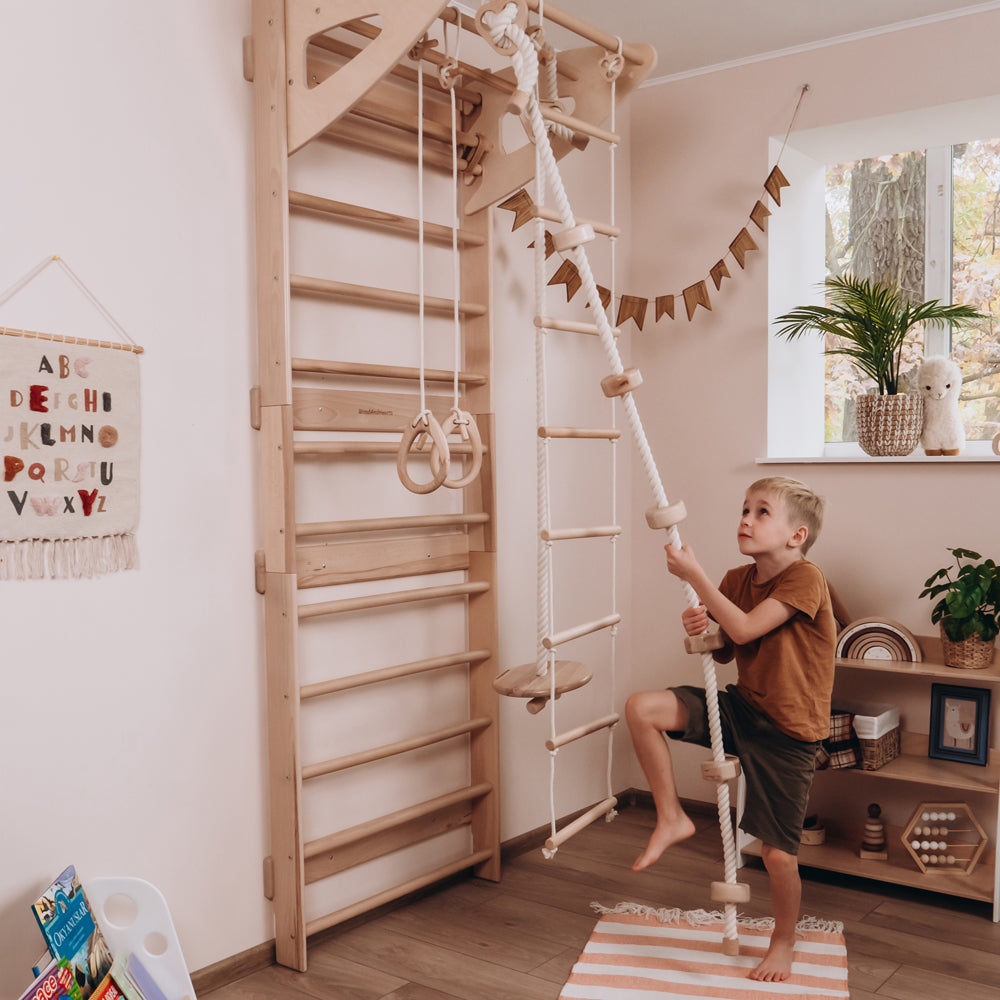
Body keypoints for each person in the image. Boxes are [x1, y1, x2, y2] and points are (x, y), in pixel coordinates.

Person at [625, 476, 837, 983]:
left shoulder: (807, 579)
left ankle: (784, 940)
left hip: (789, 733)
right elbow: (726, 643)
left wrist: (696, 578)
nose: (746, 518)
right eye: (745, 509)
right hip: (744, 710)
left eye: (762, 512)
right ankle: (672, 816)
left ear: (796, 535)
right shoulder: (736, 578)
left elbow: (745, 628)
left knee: (778, 855)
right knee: (641, 708)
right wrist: (702, 627)